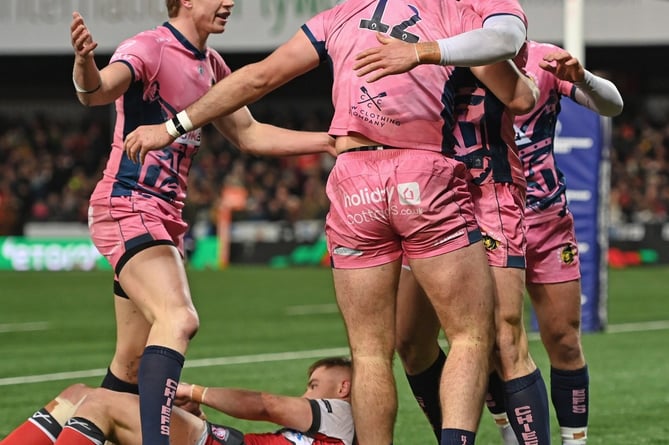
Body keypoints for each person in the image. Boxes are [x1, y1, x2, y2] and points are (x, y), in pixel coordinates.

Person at [122, 2, 541, 444]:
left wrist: (172, 127)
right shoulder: (453, 13)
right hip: (422, 174)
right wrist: (432, 55)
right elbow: (516, 87)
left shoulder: (338, 16)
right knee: (470, 336)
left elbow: (257, 77)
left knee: (369, 353)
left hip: (354, 179)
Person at [70, 2, 337, 444]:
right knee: (178, 318)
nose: (229, 1)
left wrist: (329, 141)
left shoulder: (212, 65)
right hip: (128, 205)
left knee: (131, 366)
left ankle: (68, 429)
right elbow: (96, 91)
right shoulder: (149, 48)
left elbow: (249, 134)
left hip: (162, 216)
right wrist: (84, 66)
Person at [354, 2, 554, 444]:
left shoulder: (478, 10)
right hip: (423, 190)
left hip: (486, 187)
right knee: (409, 340)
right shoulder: (394, 15)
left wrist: (423, 52)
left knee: (503, 338)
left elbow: (522, 94)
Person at [505, 41, 623, 445]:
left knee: (565, 340)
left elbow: (612, 106)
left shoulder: (544, 59)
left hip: (547, 220)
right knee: (498, 344)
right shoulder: (459, 60)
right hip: (487, 220)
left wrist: (583, 77)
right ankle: (512, 436)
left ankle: (576, 441)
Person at [0, 357, 355, 445]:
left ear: (343, 387)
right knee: (77, 395)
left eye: (313, 385)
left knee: (101, 404)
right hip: (219, 439)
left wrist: (193, 391)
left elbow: (266, 405)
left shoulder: (342, 415)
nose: (306, 394)